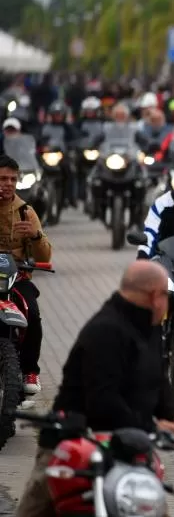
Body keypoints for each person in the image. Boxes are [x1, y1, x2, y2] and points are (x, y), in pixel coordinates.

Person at [14, 261, 174, 517]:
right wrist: (152, 428)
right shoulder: (106, 330)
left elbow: (157, 378)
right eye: (166, 294)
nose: (168, 302)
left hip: (129, 446)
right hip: (74, 445)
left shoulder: (149, 324)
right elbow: (102, 400)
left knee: (151, 506)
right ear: (153, 295)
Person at [0, 155, 52, 395]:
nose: (8, 184)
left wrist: (35, 235)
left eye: (12, 179)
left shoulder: (25, 212)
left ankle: (30, 370)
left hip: (16, 277)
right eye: (2, 178)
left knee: (32, 311)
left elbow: (46, 256)